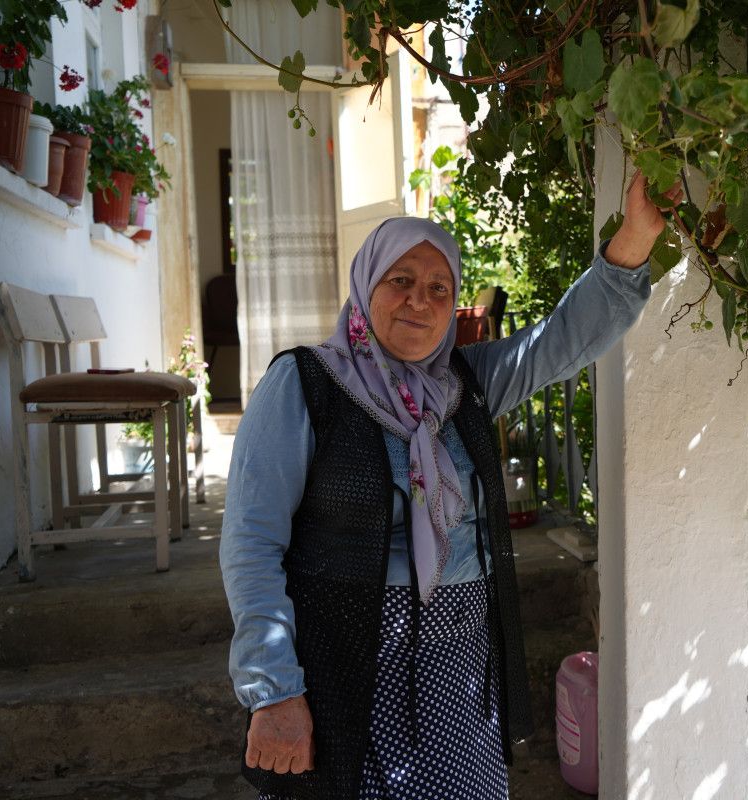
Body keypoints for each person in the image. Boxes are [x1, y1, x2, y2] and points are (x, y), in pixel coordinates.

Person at [220, 171, 681, 799]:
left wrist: (634, 239)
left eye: (439, 287)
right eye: (400, 280)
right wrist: (273, 690)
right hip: (347, 659)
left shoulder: (465, 385)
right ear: (365, 285)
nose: (420, 301)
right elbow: (251, 543)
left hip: (460, 662)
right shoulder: (304, 386)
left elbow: (561, 341)